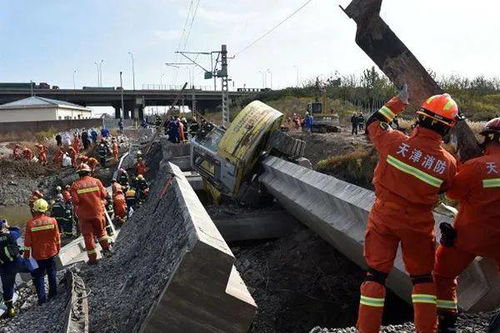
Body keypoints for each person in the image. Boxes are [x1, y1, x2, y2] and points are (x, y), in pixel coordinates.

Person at [356, 86, 459, 333]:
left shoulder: (393, 142)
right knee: (423, 279)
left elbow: (374, 123)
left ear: (419, 118)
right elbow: (448, 188)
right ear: (447, 128)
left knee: (375, 277)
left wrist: (398, 101)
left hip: (384, 217)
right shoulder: (447, 163)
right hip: (418, 224)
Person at [434, 117, 500, 332]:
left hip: (469, 237)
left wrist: (461, 163)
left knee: (444, 273)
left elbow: (453, 193)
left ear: (489, 138)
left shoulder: (475, 167)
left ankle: (447, 322)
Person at [70, 164, 112, 264]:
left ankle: (93, 259)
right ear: (89, 172)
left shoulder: (75, 185)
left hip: (84, 216)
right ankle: (106, 250)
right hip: (98, 212)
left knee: (88, 236)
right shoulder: (96, 181)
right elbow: (104, 194)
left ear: (79, 174)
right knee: (101, 232)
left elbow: (75, 201)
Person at [23, 199, 60, 305]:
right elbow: (57, 237)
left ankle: (42, 299)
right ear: (45, 209)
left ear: (34, 210)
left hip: (38, 255)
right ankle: (53, 294)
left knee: (39, 276)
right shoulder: (53, 221)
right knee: (52, 273)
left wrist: (26, 256)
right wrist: (57, 248)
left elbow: (27, 243)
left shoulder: (30, 224)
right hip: (51, 252)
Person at [0, 219, 22, 318]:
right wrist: (8, 227)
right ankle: (39, 292)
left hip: (4, 267)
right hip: (17, 262)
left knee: (7, 288)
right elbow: (19, 231)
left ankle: (10, 309)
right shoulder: (10, 235)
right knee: (35, 270)